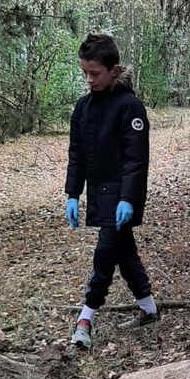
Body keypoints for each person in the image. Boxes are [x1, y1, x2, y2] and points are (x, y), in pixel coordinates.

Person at [65, 33, 157, 349]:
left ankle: (85, 318)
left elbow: (136, 159)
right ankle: (148, 309)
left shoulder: (130, 107)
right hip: (98, 193)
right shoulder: (83, 108)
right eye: (84, 73)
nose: (89, 80)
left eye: (95, 73)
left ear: (114, 71)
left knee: (105, 252)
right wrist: (73, 194)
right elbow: (76, 154)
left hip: (121, 195)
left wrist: (129, 198)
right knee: (123, 251)